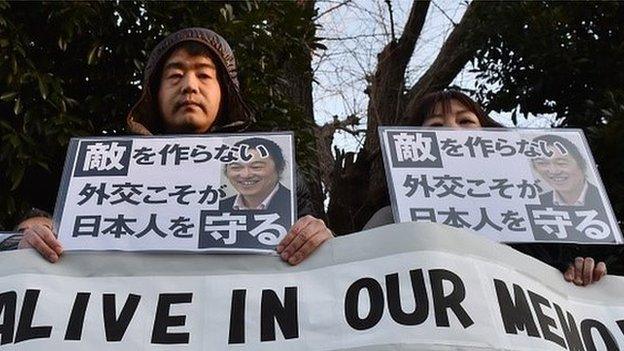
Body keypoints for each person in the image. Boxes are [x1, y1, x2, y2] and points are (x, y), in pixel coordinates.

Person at [16, 27, 332, 266]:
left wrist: (320, 239)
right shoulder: (107, 167)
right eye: (175, 74)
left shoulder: (280, 177)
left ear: (226, 91)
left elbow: (321, 262)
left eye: (204, 74)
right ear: (154, 93)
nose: (190, 85)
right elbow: (43, 228)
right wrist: (28, 235)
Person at [365, 89, 611, 286]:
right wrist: (331, 247)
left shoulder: (541, 225)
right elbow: (353, 268)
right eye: (436, 125)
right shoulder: (390, 219)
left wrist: (578, 274)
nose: (452, 131)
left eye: (465, 121)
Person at [220, 137, 292, 222]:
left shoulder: (297, 204)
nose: (245, 175)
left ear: (279, 168)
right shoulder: (219, 208)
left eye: (256, 167)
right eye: (236, 167)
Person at [530, 134, 601, 207]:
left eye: (561, 163)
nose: (553, 171)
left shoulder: (604, 198)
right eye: (542, 163)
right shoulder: (537, 204)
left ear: (581, 163)